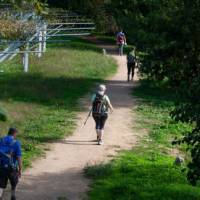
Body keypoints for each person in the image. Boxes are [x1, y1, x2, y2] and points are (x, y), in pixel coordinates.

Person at [0, 128, 22, 200]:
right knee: (14, 181)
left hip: (2, 165)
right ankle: (13, 196)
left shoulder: (2, 140)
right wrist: (20, 169)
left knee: (1, 184)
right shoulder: (16, 143)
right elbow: (19, 157)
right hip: (12, 167)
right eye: (16, 134)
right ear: (14, 133)